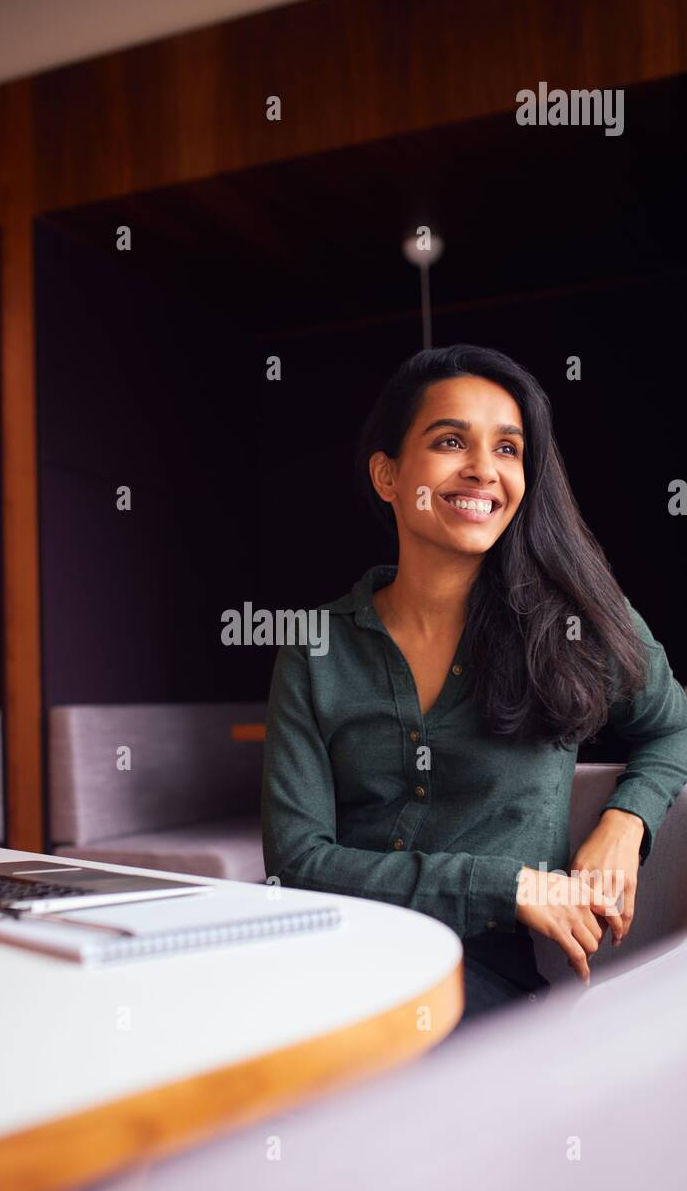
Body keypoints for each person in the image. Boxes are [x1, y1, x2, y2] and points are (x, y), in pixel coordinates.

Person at [261, 345, 687, 1025]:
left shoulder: (571, 626)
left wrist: (624, 821)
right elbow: (294, 862)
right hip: (317, 950)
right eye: (450, 440)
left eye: (508, 448)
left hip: (474, 974)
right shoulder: (316, 646)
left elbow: (675, 725)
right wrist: (506, 883)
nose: (483, 469)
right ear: (387, 475)